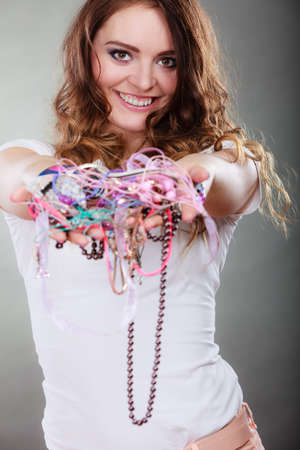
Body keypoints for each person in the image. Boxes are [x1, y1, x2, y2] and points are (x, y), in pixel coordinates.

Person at [0, 1, 291, 449]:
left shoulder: (227, 160)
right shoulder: (31, 156)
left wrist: (188, 177)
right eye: (121, 54)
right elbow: (14, 175)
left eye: (167, 61)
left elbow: (227, 176)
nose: (143, 80)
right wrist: (54, 187)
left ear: (188, 70)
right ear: (86, 56)